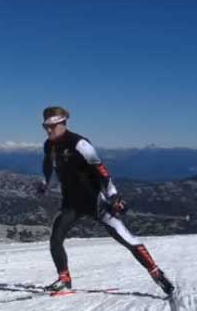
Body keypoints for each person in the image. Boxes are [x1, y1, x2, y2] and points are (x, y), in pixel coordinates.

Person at [37, 106, 175, 296]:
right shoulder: (49, 145)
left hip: (96, 203)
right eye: (46, 126)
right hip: (71, 202)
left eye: (52, 126)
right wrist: (45, 183)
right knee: (55, 239)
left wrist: (114, 196)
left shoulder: (80, 143)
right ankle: (64, 280)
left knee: (127, 239)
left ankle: (156, 273)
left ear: (63, 123)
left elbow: (101, 170)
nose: (48, 130)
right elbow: (49, 167)